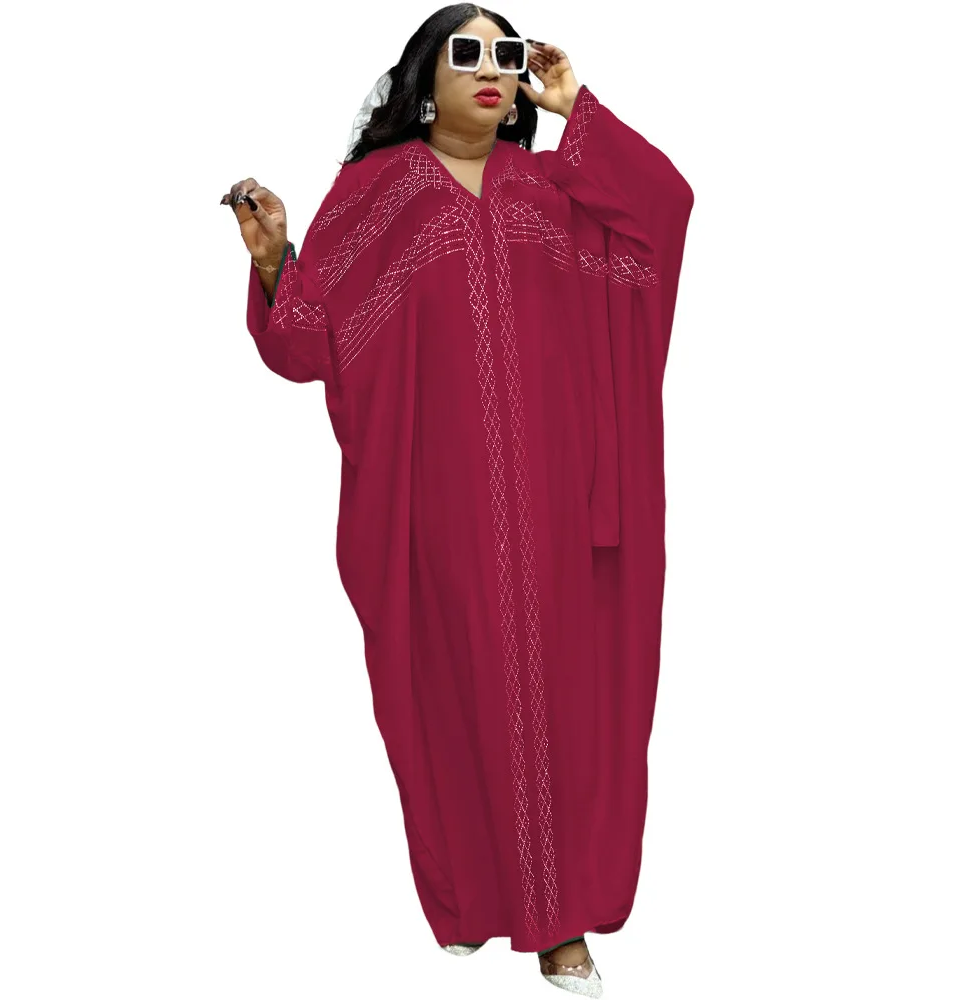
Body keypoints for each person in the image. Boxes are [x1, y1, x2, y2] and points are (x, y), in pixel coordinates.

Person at [220, 5, 694, 996]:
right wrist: (273, 263)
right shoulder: (376, 195)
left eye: (505, 54)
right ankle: (473, 896)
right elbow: (310, 342)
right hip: (436, 500)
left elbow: (662, 210)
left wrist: (576, 107)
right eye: (465, 52)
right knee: (452, 694)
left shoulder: (552, 188)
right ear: (424, 79)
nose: (490, 68)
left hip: (561, 501)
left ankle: (560, 923)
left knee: (566, 703)